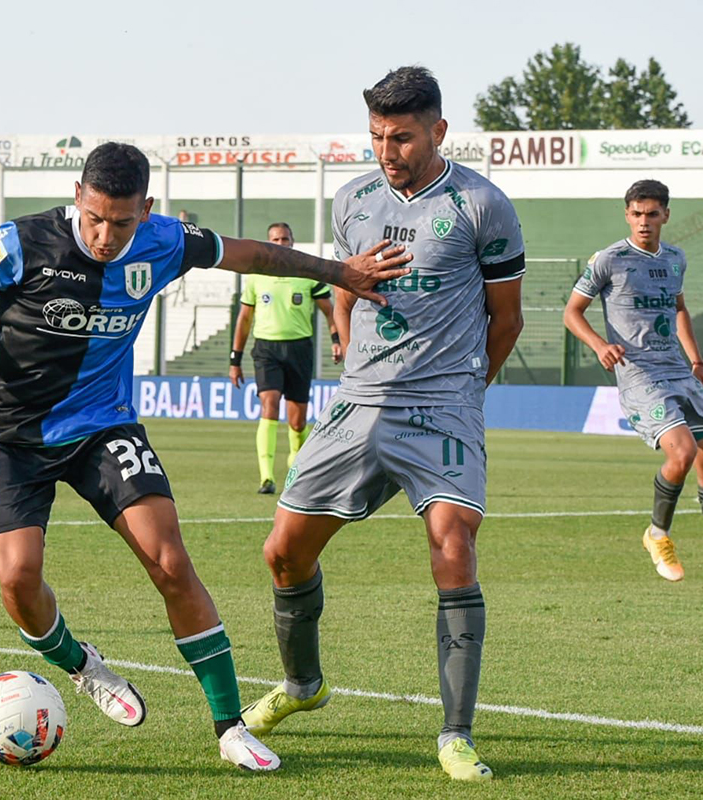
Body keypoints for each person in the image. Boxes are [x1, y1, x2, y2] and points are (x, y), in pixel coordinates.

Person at [0, 142, 412, 772]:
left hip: (106, 428)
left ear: (146, 210)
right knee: (17, 580)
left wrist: (339, 271)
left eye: (121, 222)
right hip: (13, 436)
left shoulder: (164, 242)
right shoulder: (21, 243)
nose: (104, 236)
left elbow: (254, 254)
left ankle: (230, 727)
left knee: (170, 559)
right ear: (78, 196)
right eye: (95, 218)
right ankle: (82, 664)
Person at [239, 67, 525, 783]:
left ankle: (455, 735)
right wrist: (345, 314)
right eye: (375, 137)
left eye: (401, 137)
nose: (387, 150)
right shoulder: (353, 201)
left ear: (438, 131)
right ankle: (304, 686)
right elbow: (348, 288)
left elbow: (508, 317)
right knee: (283, 554)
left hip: (442, 405)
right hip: (360, 399)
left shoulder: (482, 205)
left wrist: (464, 390)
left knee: (452, 546)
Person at [564, 180, 703, 594]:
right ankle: (656, 534)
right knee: (683, 451)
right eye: (636, 214)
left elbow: (680, 309)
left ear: (666, 215)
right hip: (639, 374)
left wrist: (698, 362)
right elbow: (572, 312)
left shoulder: (675, 259)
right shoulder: (609, 260)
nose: (643, 222)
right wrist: (599, 344)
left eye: (651, 214)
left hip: (678, 371)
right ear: (627, 215)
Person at [230, 222, 341, 494]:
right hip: (266, 349)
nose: (280, 243)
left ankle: (297, 466)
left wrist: (337, 340)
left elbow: (330, 312)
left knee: (297, 421)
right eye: (275, 239)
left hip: (299, 349)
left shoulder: (307, 273)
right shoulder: (256, 276)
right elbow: (244, 319)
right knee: (269, 404)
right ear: (268, 242)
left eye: (285, 239)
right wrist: (235, 359)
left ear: (293, 241)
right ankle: (266, 476)